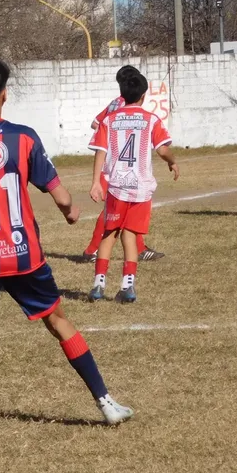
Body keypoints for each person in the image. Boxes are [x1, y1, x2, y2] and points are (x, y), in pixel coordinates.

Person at [0, 58, 134, 448]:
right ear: (4, 95)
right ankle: (106, 404)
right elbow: (60, 195)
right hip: (23, 253)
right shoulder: (24, 138)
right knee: (58, 321)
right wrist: (70, 211)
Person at [88, 71, 179, 304]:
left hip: (117, 186)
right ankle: (127, 286)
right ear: (143, 95)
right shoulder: (151, 120)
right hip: (141, 188)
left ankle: (98, 284)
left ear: (122, 94)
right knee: (130, 235)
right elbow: (163, 149)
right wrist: (172, 161)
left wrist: (96, 181)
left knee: (109, 234)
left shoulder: (109, 120)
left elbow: (101, 151)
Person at [84, 65, 165, 262]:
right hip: (118, 166)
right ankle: (92, 250)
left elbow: (96, 123)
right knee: (114, 209)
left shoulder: (116, 102)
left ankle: (139, 248)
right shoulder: (125, 105)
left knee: (124, 207)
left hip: (114, 164)